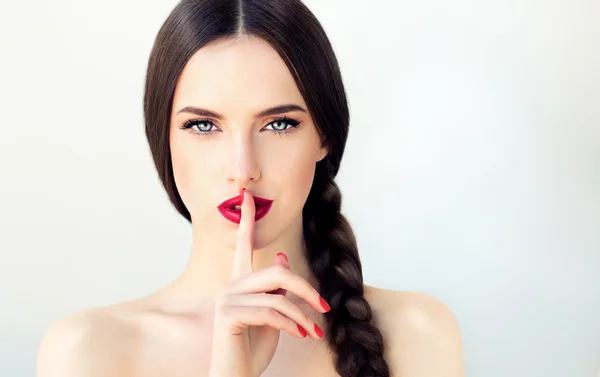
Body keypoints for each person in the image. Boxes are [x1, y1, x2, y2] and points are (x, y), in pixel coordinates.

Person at [36, 0, 465, 376]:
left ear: (324, 137)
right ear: (163, 138)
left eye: (278, 124)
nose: (243, 170)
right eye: (203, 125)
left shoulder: (417, 333)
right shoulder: (88, 351)